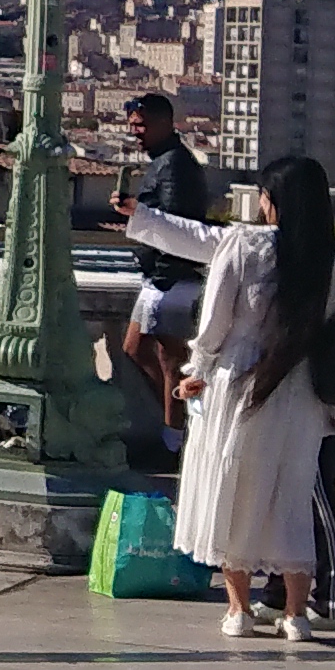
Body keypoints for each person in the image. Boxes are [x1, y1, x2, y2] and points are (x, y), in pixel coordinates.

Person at [127, 154, 335, 642]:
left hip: (240, 383)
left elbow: (215, 325)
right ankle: (295, 615)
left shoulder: (245, 246)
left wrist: (194, 373)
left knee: (235, 494)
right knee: (290, 496)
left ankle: (239, 610)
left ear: (273, 202)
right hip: (303, 391)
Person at [112, 95, 216, 456]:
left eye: (140, 125)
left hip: (171, 277)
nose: (134, 132)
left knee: (170, 357)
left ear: (163, 124)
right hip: (159, 275)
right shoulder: (165, 162)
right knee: (136, 348)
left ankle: (176, 438)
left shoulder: (173, 166)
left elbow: (178, 223)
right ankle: (180, 416)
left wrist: (137, 213)